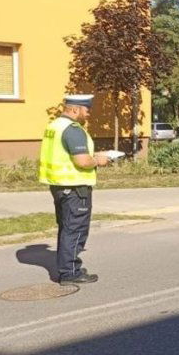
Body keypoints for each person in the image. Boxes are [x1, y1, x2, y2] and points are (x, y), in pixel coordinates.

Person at [38, 94, 111, 285]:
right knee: (76, 230)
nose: (88, 114)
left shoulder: (54, 126)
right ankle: (70, 272)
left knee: (66, 228)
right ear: (75, 109)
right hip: (75, 189)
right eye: (87, 110)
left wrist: (89, 156)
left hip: (58, 186)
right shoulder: (72, 130)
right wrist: (99, 160)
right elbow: (82, 161)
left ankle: (67, 268)